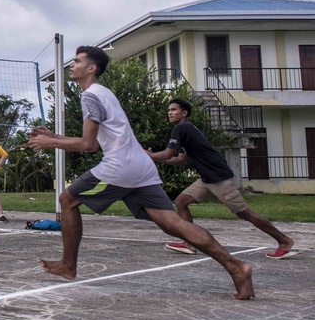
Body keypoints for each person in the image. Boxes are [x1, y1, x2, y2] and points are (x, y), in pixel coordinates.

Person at [27, 46, 254, 299]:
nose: (72, 64)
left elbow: (88, 145)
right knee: (173, 224)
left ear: (91, 68)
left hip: (120, 167)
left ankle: (68, 266)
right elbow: (100, 138)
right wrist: (55, 136)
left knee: (67, 199)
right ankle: (237, 268)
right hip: (139, 166)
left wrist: (50, 143)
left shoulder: (90, 95)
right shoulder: (103, 93)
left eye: (77, 61)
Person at [147, 98, 297, 260]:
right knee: (181, 202)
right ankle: (189, 242)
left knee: (245, 213)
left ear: (184, 113)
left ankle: (284, 241)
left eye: (174, 110)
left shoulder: (182, 128)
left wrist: (149, 156)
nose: (170, 113)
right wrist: (153, 158)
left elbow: (168, 154)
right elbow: (180, 159)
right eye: (169, 110)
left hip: (217, 177)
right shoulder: (184, 129)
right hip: (207, 178)